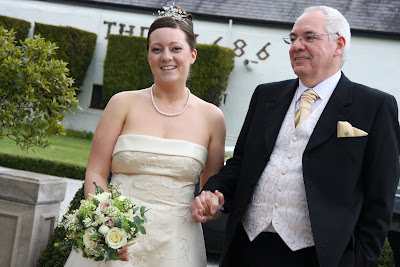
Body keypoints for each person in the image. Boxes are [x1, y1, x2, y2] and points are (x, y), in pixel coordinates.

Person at [191, 5, 400, 267]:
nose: (296, 46)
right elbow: (241, 162)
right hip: (247, 248)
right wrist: (214, 191)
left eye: (309, 37)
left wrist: (360, 261)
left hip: (319, 257)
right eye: (292, 38)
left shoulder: (374, 106)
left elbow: (380, 198)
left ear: (339, 45)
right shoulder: (265, 96)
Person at [64, 4, 226, 267]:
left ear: (193, 54)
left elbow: (212, 191)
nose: (166, 56)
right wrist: (105, 226)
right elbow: (95, 172)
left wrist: (212, 207)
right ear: (148, 55)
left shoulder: (213, 118)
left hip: (177, 244)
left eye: (176, 48)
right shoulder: (121, 104)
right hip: (117, 239)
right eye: (156, 49)